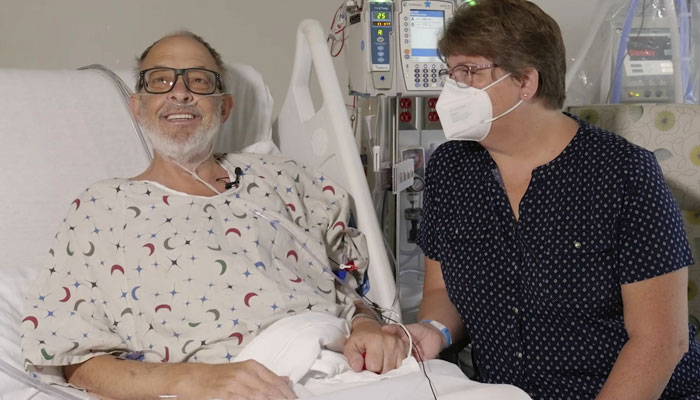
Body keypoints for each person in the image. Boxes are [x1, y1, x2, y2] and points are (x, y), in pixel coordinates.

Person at [20, 31, 406, 400]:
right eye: (160, 81)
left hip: (350, 366)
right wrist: (193, 381)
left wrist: (368, 327)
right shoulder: (101, 209)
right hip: (223, 386)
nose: (181, 93)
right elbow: (74, 361)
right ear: (137, 107)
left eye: (200, 81)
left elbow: (351, 284)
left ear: (225, 107)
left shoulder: (283, 178)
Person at [382, 0, 700, 399]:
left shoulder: (622, 174)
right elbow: (441, 291)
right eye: (451, 72)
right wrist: (433, 330)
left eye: (469, 72)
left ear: (526, 82)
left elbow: (661, 342)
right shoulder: (451, 168)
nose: (451, 89)